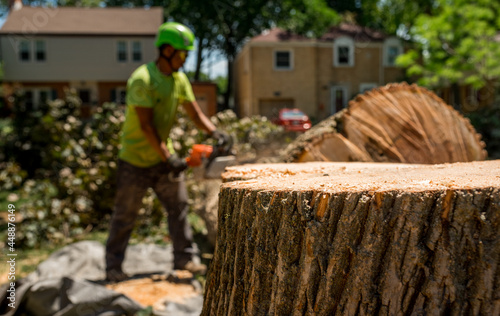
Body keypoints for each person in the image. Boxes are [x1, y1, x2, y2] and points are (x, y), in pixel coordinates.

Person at [105, 22, 228, 282]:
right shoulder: (143, 79)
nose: (184, 60)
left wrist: (215, 133)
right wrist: (169, 159)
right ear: (168, 50)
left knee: (179, 208)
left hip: (163, 157)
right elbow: (147, 127)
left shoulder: (179, 79)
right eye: (183, 54)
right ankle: (113, 267)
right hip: (135, 161)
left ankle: (185, 260)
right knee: (126, 215)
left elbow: (194, 112)